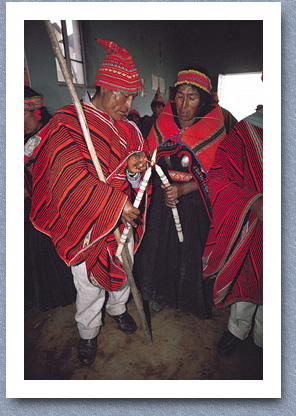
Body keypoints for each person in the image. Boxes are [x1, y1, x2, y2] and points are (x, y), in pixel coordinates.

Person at [30, 38, 150, 366]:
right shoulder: (68, 124)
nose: (128, 104)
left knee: (124, 269)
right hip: (84, 221)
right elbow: (66, 179)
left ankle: (118, 310)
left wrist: (136, 168)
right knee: (88, 284)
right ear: (104, 86)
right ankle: (88, 331)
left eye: (131, 97)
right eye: (122, 95)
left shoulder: (131, 131)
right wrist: (113, 203)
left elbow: (140, 175)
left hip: (123, 220)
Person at [134, 68, 227, 318]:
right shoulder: (161, 122)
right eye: (181, 96)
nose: (184, 104)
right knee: (160, 250)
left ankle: (188, 300)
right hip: (164, 202)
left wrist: (185, 188)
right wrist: (157, 179)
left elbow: (217, 174)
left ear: (203, 100)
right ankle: (160, 294)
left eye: (192, 97)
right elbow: (150, 160)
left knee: (189, 253)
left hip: (195, 203)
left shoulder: (215, 127)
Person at [203, 106, 263, 356]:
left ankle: (266, 339)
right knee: (249, 274)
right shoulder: (247, 130)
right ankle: (238, 329)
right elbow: (218, 176)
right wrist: (252, 201)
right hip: (253, 221)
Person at [24, 87, 76, 312]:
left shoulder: (52, 133)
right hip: (28, 204)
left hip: (52, 204)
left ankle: (62, 293)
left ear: (36, 112)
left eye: (22, 116)